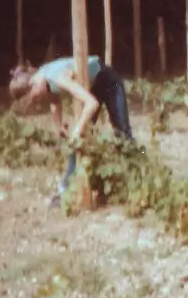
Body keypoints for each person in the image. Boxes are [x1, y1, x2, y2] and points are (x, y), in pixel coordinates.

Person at [8, 54, 135, 202]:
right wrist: (59, 127)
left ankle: (138, 168)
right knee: (80, 142)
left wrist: (77, 129)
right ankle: (66, 191)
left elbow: (91, 104)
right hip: (93, 86)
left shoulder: (57, 78)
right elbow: (54, 102)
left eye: (35, 97)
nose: (38, 100)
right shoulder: (43, 79)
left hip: (109, 82)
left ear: (32, 83)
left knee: (123, 133)